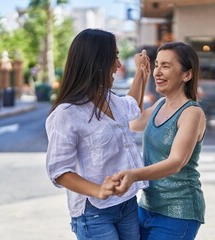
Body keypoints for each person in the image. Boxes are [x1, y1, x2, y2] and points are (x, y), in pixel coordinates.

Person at [45, 28, 150, 240]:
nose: (119, 65)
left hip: (127, 203)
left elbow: (133, 107)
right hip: (94, 212)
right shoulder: (67, 114)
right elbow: (59, 170)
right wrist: (98, 190)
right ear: (98, 62)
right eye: (115, 58)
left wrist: (142, 73)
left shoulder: (110, 99)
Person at [113, 42, 206, 240]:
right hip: (147, 207)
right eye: (156, 65)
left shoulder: (192, 113)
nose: (158, 72)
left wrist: (133, 175)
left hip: (179, 212)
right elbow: (131, 121)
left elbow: (176, 162)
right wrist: (142, 75)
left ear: (187, 75)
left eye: (166, 66)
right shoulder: (161, 104)